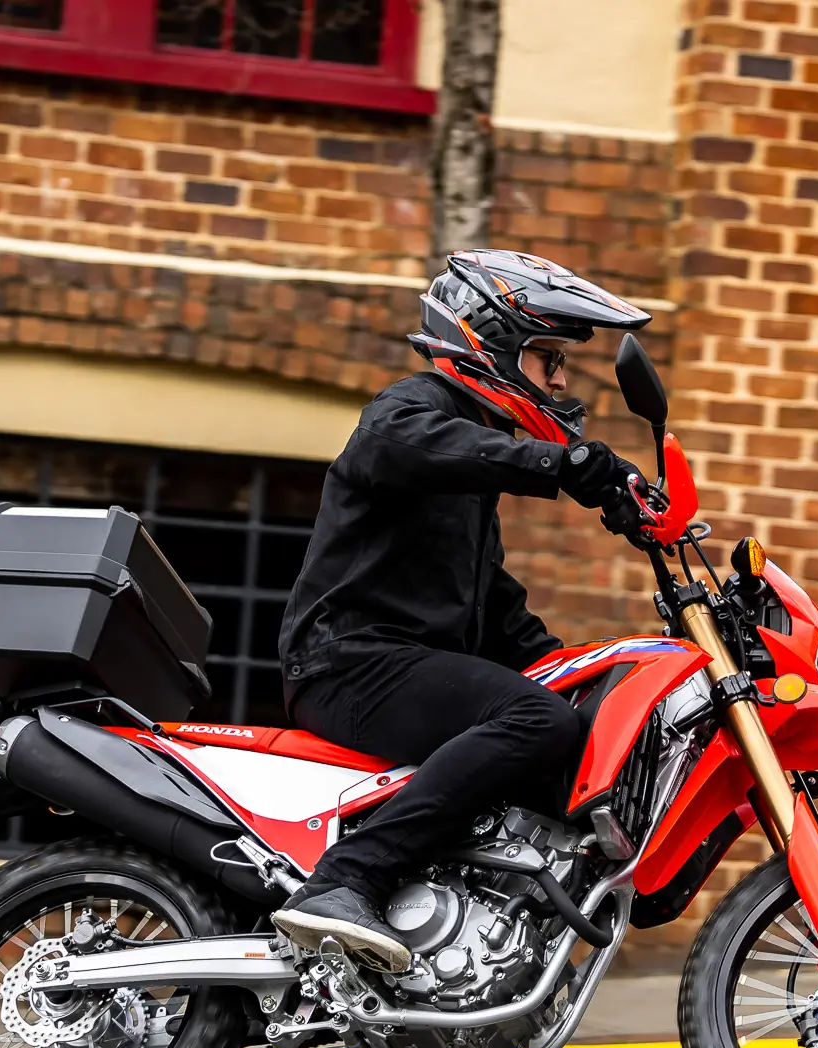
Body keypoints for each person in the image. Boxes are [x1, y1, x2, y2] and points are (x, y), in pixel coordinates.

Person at [269, 251, 652, 968]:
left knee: (564, 716)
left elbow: (496, 609)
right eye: (549, 358)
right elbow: (403, 443)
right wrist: (562, 465)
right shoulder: (411, 411)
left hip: (403, 667)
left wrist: (583, 670)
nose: (561, 379)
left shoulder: (471, 473)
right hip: (348, 661)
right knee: (535, 721)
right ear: (494, 342)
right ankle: (347, 878)